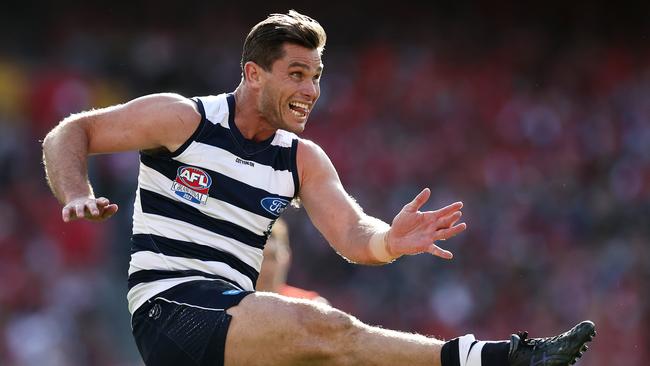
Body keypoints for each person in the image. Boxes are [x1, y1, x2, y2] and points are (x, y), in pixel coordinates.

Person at [42, 10, 595, 366]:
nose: (312, 90)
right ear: (254, 74)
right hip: (170, 311)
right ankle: (497, 360)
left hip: (233, 316)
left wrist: (389, 240)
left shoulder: (301, 159)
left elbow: (353, 234)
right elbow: (72, 131)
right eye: (298, 74)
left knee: (335, 348)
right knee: (325, 328)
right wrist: (74, 192)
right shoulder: (182, 119)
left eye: (317, 76)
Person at [257, 218, 328, 304]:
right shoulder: (237, 304)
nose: (267, 267)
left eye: (273, 257)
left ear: (287, 258)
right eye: (260, 258)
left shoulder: (310, 306)